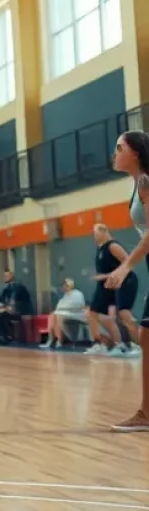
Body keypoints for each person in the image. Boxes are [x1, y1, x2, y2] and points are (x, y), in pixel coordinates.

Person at [103, 131, 149, 431]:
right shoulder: (137, 184)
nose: (115, 153)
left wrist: (124, 267)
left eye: (119, 148)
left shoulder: (146, 182)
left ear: (135, 153)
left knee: (147, 337)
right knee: (146, 338)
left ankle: (146, 414)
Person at [86, 224, 139, 357]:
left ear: (104, 231)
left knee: (125, 314)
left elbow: (128, 263)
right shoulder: (101, 249)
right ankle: (116, 344)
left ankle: (141, 345)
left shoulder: (112, 245)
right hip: (112, 283)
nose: (94, 236)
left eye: (96, 233)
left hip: (126, 280)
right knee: (97, 313)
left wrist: (105, 276)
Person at [40, 278, 88, 350]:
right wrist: (61, 309)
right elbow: (59, 306)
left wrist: (63, 308)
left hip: (77, 314)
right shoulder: (65, 295)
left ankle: (60, 340)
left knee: (58, 316)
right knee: (52, 316)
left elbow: (78, 305)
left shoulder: (77, 293)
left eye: (65, 285)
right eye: (63, 285)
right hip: (66, 313)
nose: (63, 287)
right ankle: (51, 340)